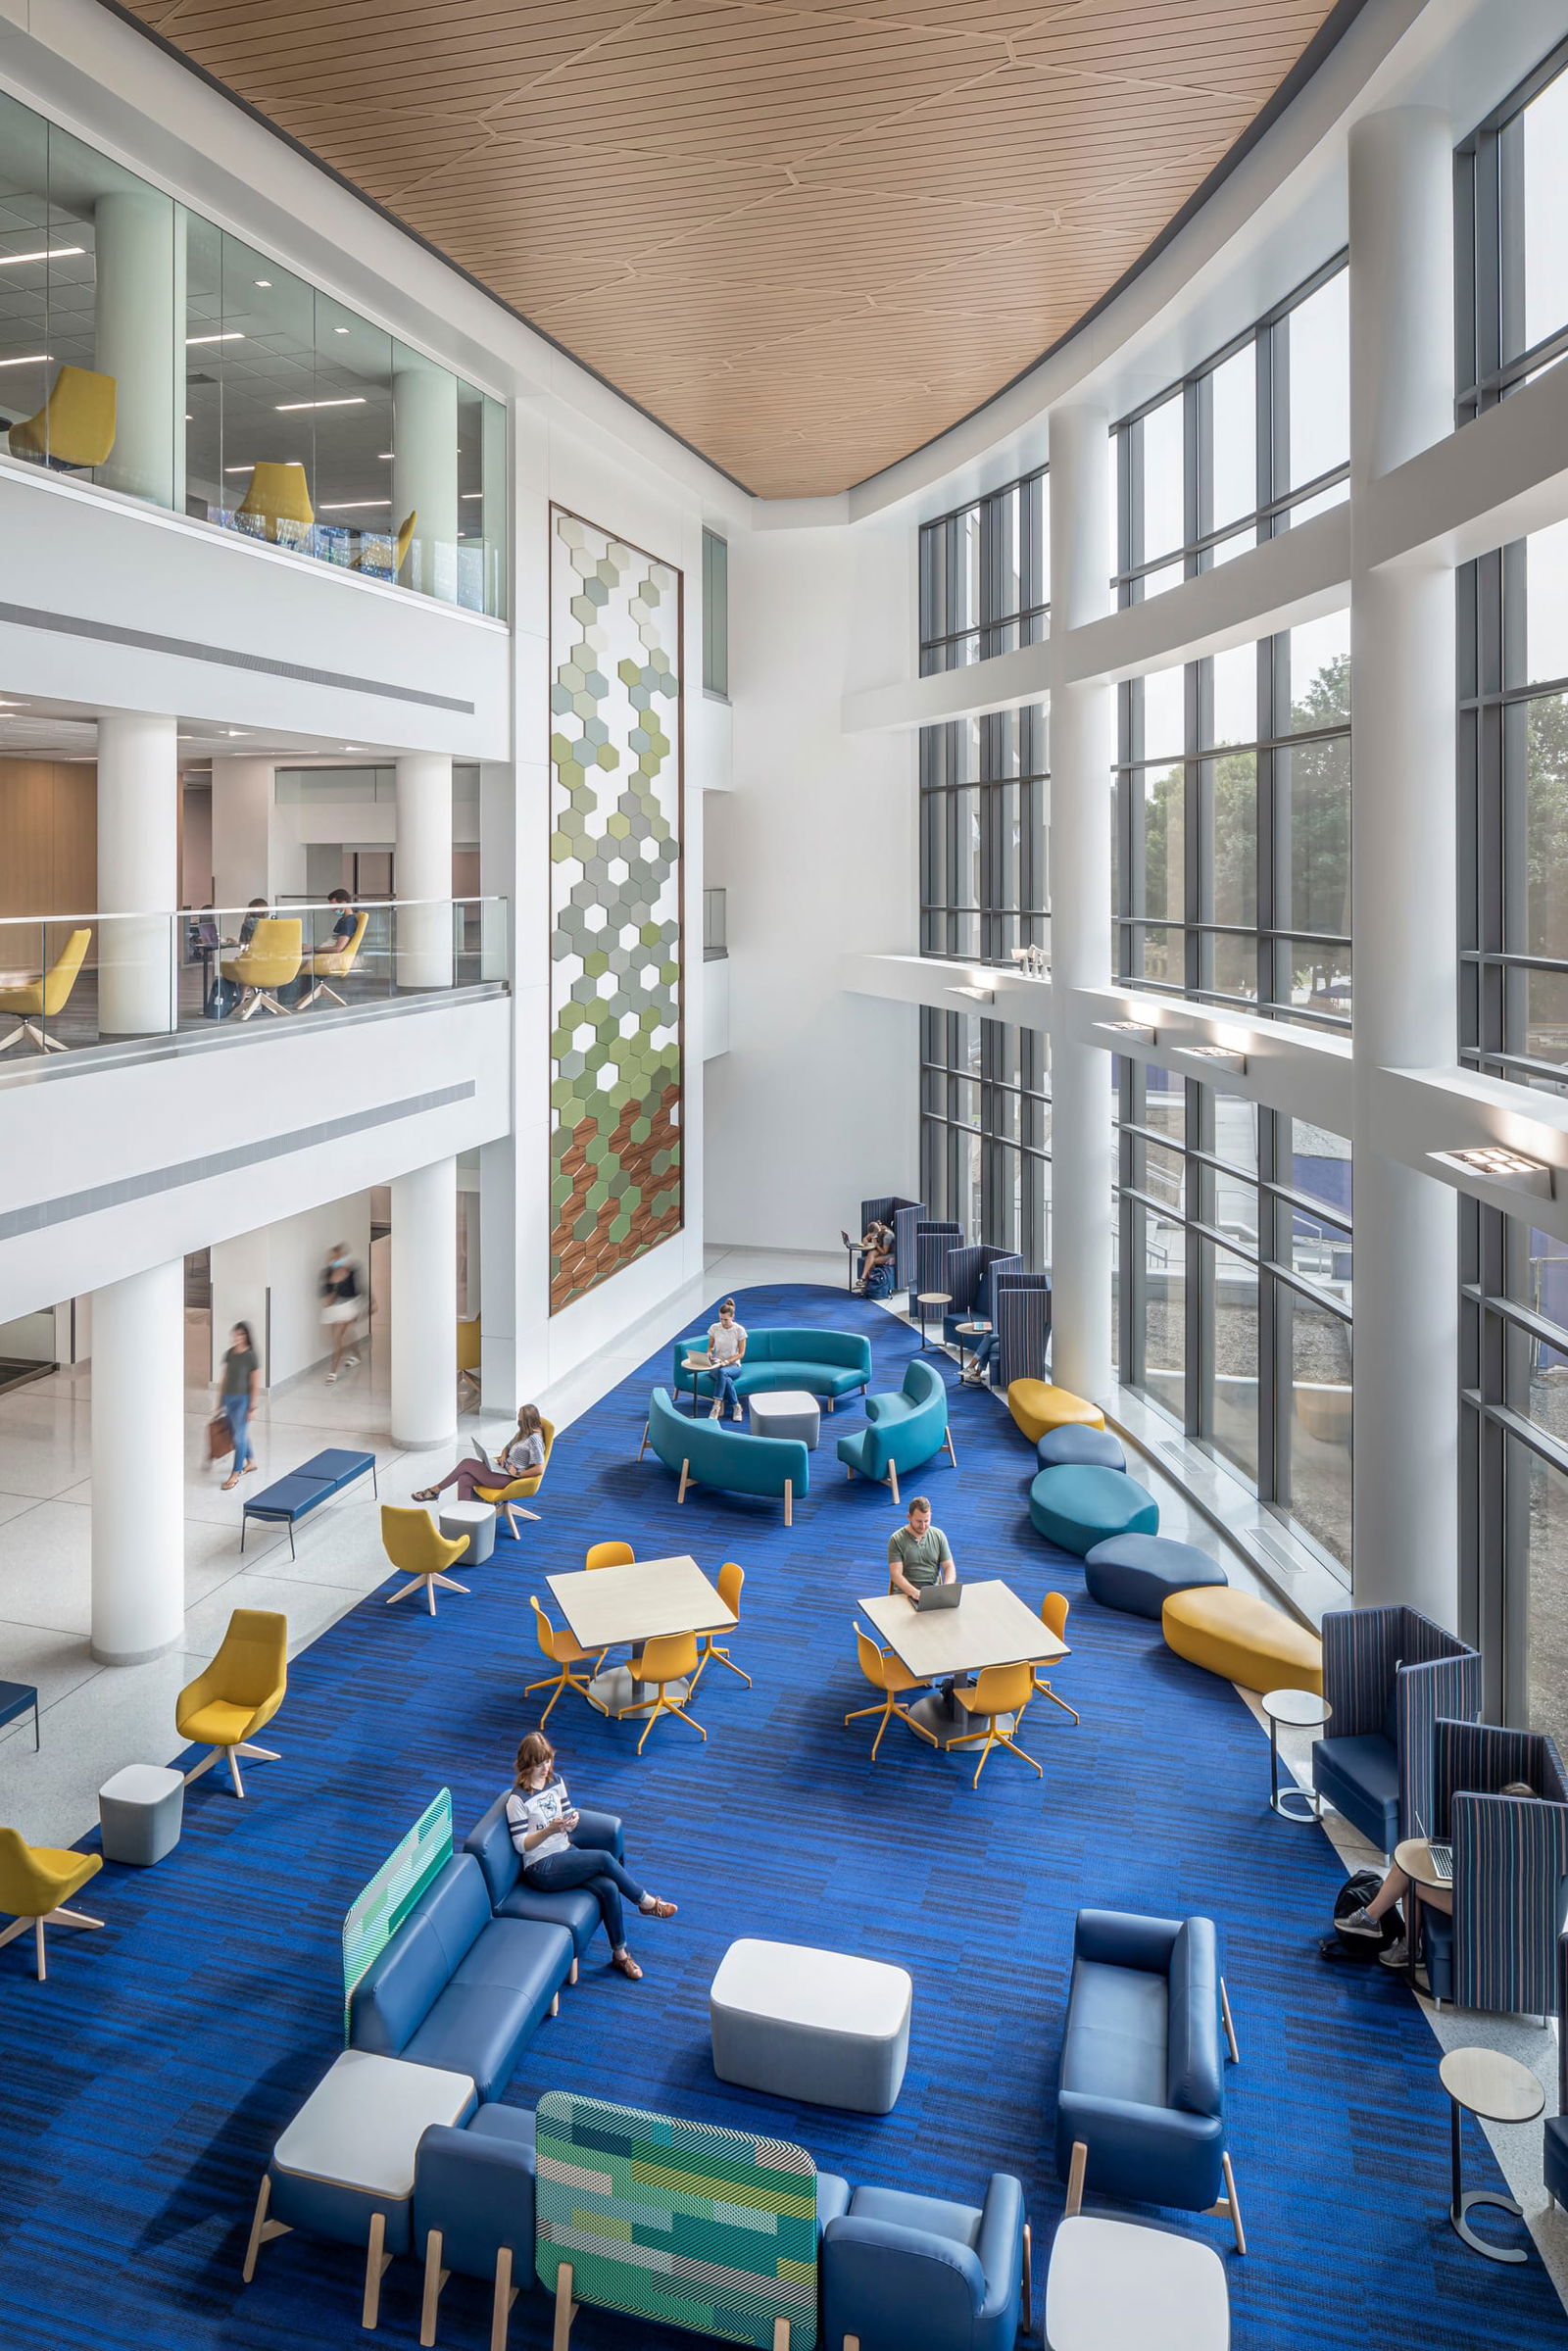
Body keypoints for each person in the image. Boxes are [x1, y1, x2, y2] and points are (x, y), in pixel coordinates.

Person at [506, 1730, 676, 1980]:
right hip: (541, 1867)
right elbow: (522, 1845)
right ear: (527, 1764)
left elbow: (568, 1814)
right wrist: (549, 1830)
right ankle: (645, 1902)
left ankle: (620, 1955)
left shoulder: (556, 1782)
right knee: (605, 1859)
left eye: (548, 1760)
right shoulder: (517, 1800)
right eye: (540, 1763)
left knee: (608, 1887)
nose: (546, 1767)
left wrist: (571, 1821)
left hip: (565, 1851)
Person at [1338, 1782, 1539, 1969]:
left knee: (1411, 1880)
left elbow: (1490, 1883)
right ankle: (1377, 1922)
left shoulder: (1515, 1848)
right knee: (1407, 1867)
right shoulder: (1527, 1839)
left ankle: (1398, 1940)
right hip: (1481, 1897)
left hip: (1488, 1910)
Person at [414, 1403, 546, 1506]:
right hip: (503, 1469)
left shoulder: (534, 1439)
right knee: (464, 1479)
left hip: (509, 1479)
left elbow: (539, 1468)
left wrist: (517, 1474)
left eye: (521, 1419)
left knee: (466, 1463)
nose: (519, 1420)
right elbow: (507, 1447)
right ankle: (465, 1519)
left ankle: (435, 1490)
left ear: (528, 1421)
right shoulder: (523, 1433)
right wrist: (503, 1457)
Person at [217, 1320, 261, 1492]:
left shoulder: (251, 1356)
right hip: (228, 1399)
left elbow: (254, 1384)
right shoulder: (229, 1354)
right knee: (237, 1432)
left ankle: (235, 1473)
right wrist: (219, 1402)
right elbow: (225, 1379)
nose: (237, 1337)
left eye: (241, 1334)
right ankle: (251, 1461)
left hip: (243, 1401)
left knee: (239, 1436)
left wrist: (252, 1407)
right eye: (235, 1334)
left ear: (246, 1336)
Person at [887, 1495, 956, 1600]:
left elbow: (949, 1566)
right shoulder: (896, 1539)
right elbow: (895, 1574)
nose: (923, 1526)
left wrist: (947, 1587)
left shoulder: (938, 1535)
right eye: (919, 1521)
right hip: (905, 1594)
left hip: (932, 1593)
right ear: (909, 1517)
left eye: (926, 1521)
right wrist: (914, 1593)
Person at [693, 1297, 747, 1421]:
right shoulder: (714, 1328)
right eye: (721, 1319)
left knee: (724, 1373)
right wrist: (709, 1352)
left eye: (726, 1320)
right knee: (724, 1377)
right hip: (716, 1364)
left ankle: (716, 1406)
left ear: (732, 1317)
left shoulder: (739, 1330)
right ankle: (736, 1406)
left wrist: (727, 1361)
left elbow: (741, 1353)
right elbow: (710, 1346)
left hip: (733, 1365)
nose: (723, 1322)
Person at [319, 1243, 363, 1382]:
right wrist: (328, 1298)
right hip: (332, 1309)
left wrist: (356, 1310)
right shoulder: (327, 1272)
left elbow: (356, 1290)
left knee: (337, 1338)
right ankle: (357, 1356)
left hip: (347, 1307)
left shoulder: (351, 1271)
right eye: (334, 1257)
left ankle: (333, 1372)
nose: (336, 1259)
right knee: (345, 1336)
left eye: (339, 1256)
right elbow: (323, 1290)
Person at [843, 1219, 894, 1295]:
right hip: (881, 1248)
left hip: (890, 1254)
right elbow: (867, 1237)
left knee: (872, 1260)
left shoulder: (887, 1235)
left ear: (877, 1233)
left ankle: (869, 1281)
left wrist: (876, 1244)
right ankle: (864, 1278)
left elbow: (884, 1252)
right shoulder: (877, 1228)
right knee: (871, 1254)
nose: (872, 1236)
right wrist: (865, 1239)